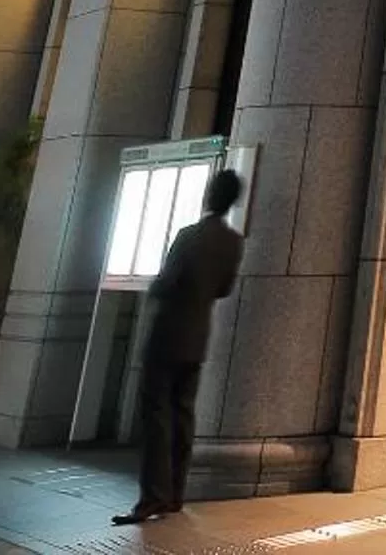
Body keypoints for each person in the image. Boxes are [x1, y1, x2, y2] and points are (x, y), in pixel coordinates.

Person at [114, 168, 244, 526]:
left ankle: (152, 497)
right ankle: (175, 494)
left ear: (209, 195)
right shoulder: (234, 242)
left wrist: (157, 288)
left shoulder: (189, 236)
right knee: (183, 414)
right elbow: (224, 289)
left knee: (156, 415)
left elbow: (166, 282)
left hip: (167, 333)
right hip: (197, 336)